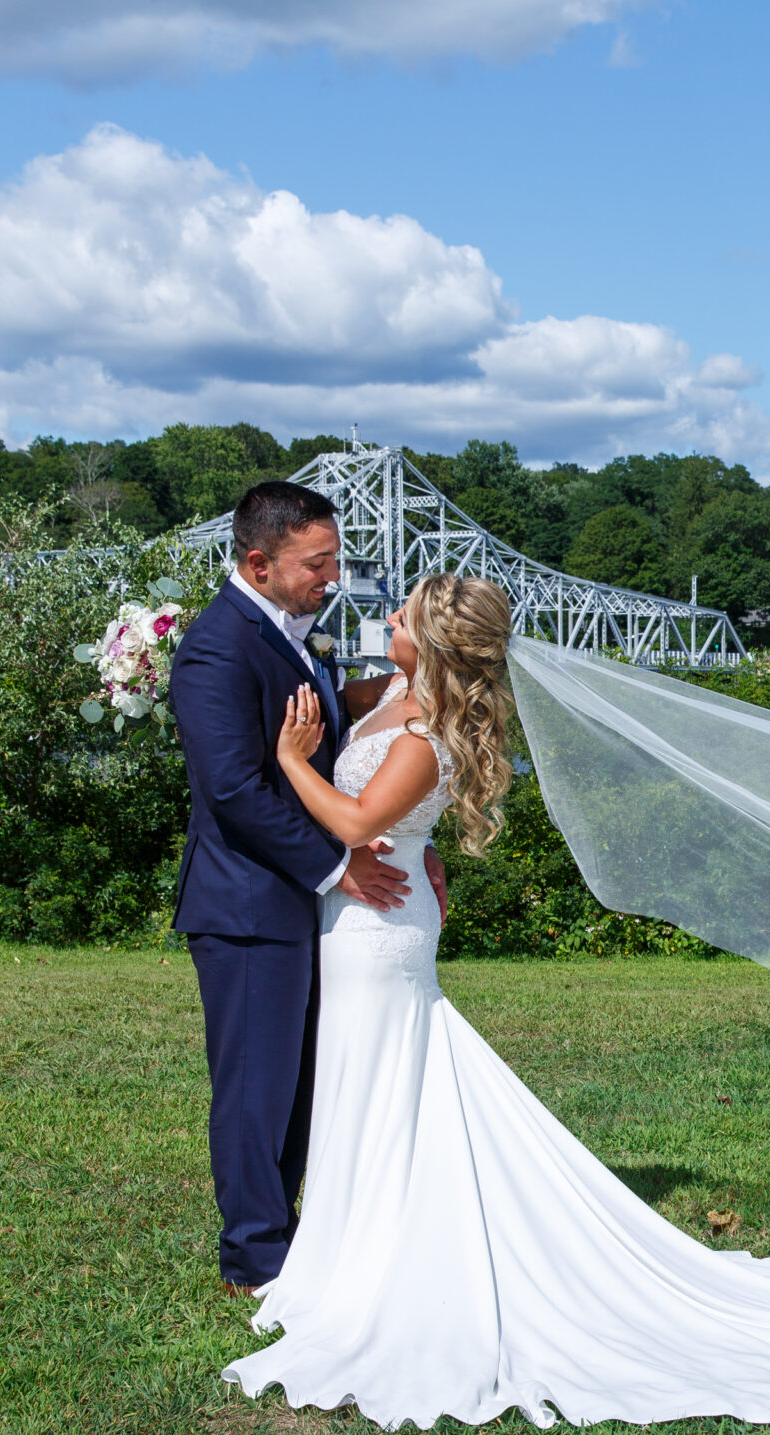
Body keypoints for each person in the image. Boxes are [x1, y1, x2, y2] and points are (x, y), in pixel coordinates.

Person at [223, 573, 770, 1428]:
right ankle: (355, 1242)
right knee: (370, 1080)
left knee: (382, 1074)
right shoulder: (389, 694)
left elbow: (350, 819)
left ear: (434, 640)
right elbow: (324, 701)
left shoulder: (424, 734)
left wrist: (293, 760)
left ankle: (379, 1257)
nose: (387, 615)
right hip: (364, 910)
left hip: (378, 927)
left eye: (403, 612)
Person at [169, 481, 447, 1295]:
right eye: (316, 563)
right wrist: (339, 866)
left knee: (297, 1086)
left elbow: (351, 739)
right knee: (255, 1089)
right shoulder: (218, 647)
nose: (332, 577)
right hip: (248, 902)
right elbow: (233, 791)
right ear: (259, 562)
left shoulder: (296, 635)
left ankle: (299, 1234)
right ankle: (254, 1260)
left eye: (333, 559)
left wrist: (412, 830)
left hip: (308, 905)